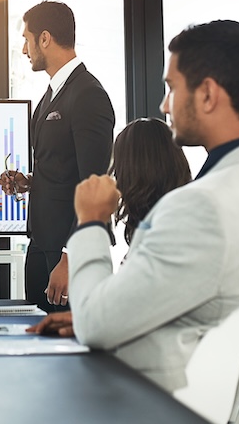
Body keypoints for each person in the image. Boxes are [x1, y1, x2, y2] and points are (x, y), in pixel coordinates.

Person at [36, 20, 239, 392]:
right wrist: (122, 310)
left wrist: (91, 222)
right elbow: (209, 297)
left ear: (207, 94)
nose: (164, 105)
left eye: (171, 88)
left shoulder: (197, 206)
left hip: (152, 399)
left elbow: (96, 327)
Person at [0, 1, 114, 312]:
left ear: (45, 38)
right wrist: (29, 182)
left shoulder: (88, 95)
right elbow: (66, 171)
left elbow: (95, 183)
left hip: (66, 252)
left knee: (67, 356)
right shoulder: (51, 95)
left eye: (27, 39)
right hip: (41, 242)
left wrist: (70, 255)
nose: (25, 50)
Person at [26, 117, 191, 336]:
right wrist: (82, 320)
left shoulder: (164, 241)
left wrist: (91, 220)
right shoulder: (172, 228)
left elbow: (98, 322)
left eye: (118, 169)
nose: (115, 180)